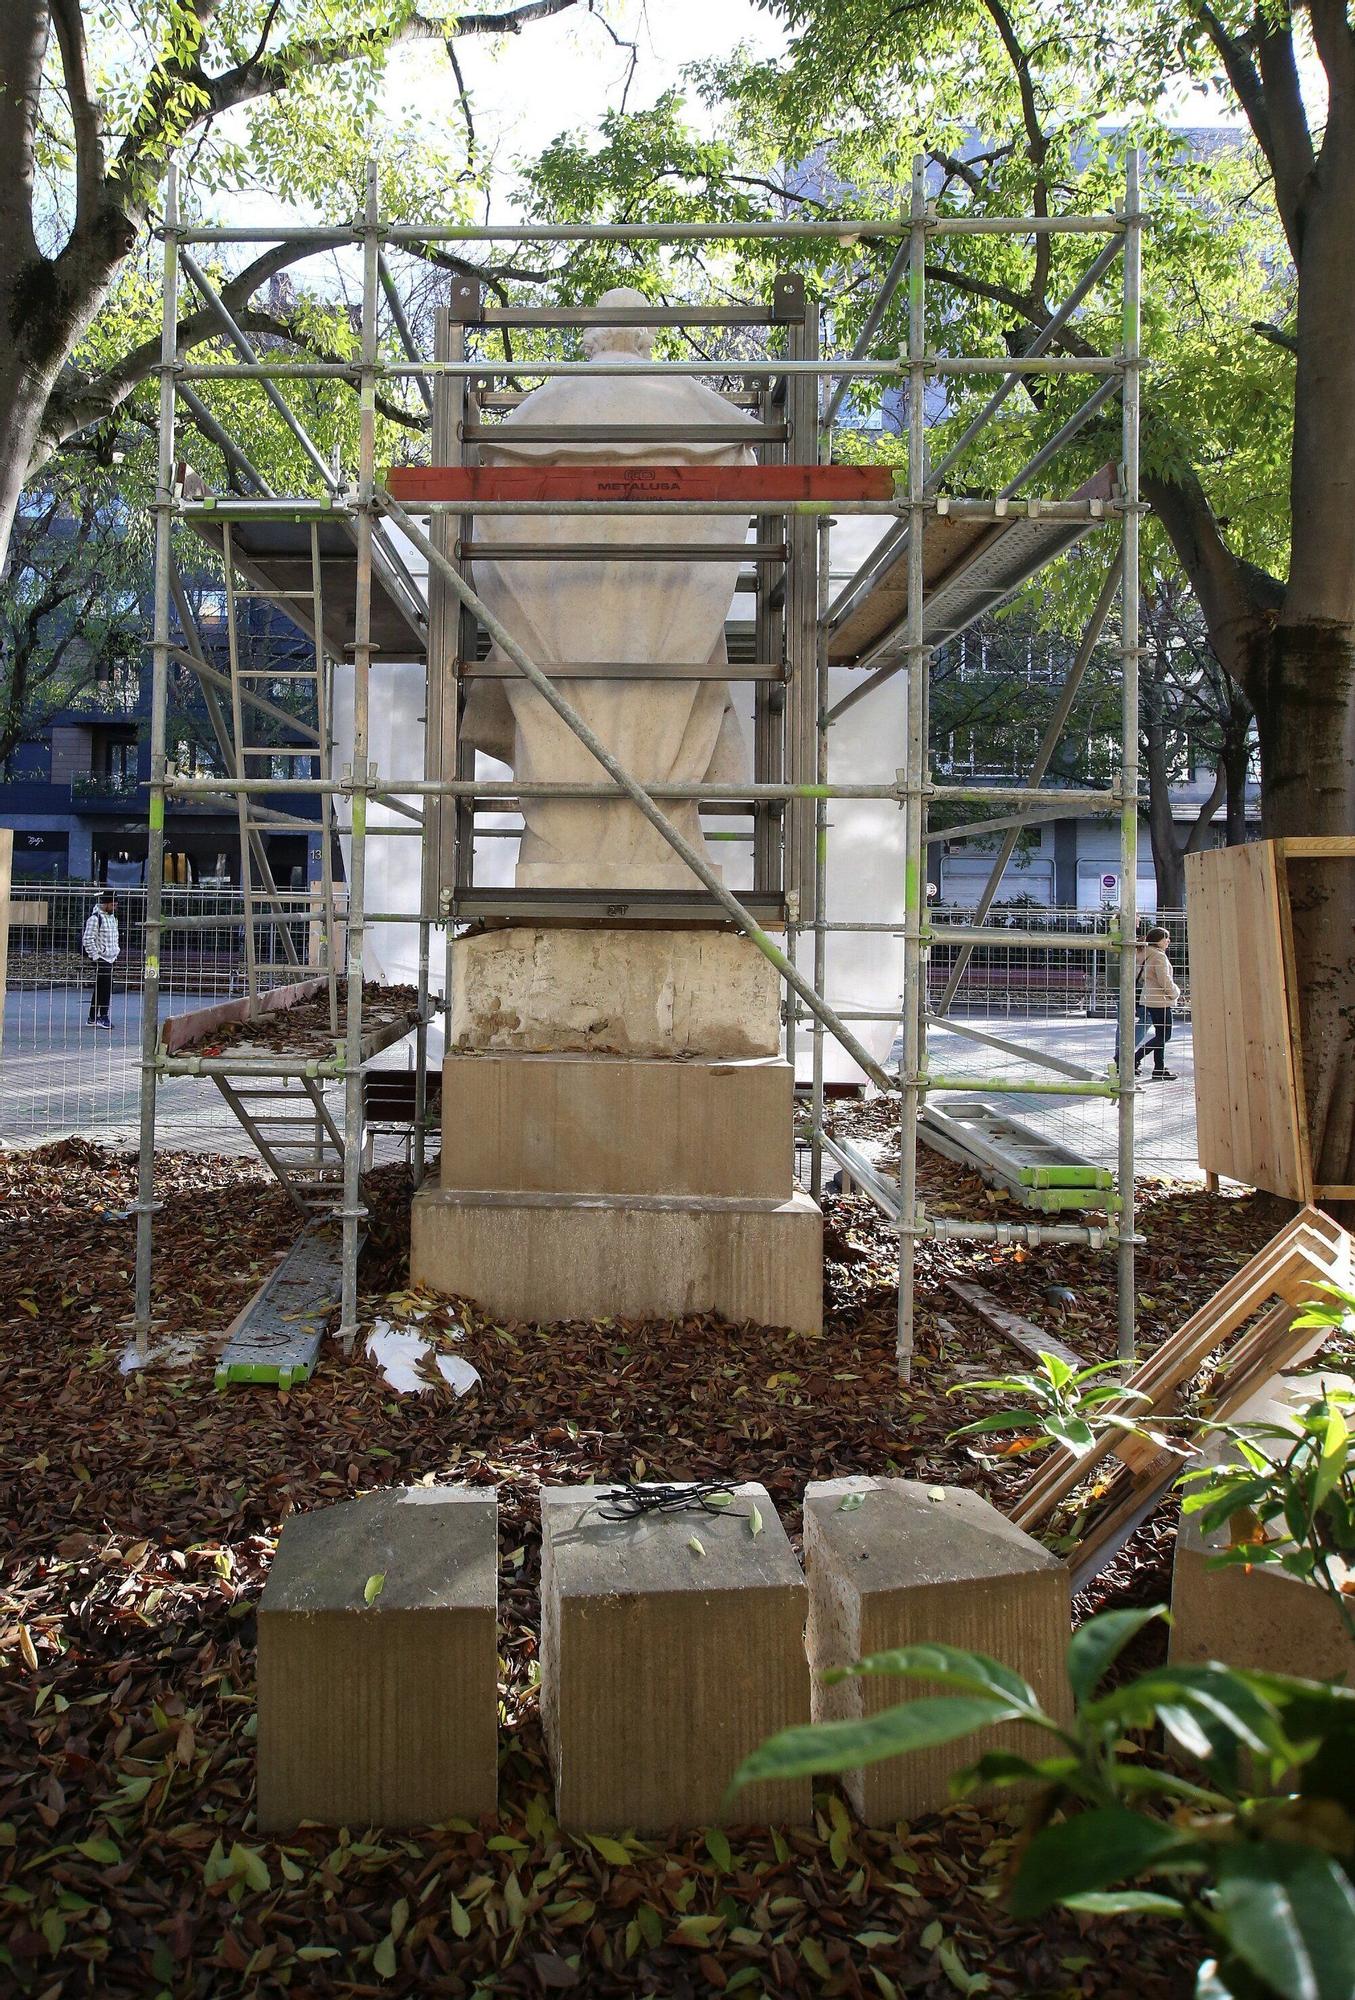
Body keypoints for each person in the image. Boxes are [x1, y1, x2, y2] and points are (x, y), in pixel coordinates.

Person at [1136, 925, 1180, 1079]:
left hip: (1150, 998)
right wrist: (1175, 993)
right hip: (1160, 1000)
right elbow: (1164, 980)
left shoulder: (1145, 953)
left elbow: (1142, 977)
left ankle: (1159, 1068)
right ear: (1158, 941)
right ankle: (1134, 1059)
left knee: (1160, 1035)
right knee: (1164, 1036)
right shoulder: (1159, 956)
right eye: (1165, 938)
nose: (1168, 940)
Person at [82, 889, 120, 1029]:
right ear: (106, 903)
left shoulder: (112, 918)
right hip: (101, 958)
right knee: (106, 987)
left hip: (110, 957)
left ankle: (92, 1017)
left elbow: (114, 938)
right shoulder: (95, 918)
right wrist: (95, 957)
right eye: (113, 904)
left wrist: (115, 953)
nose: (115, 907)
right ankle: (103, 1015)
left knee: (100, 987)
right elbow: (87, 939)